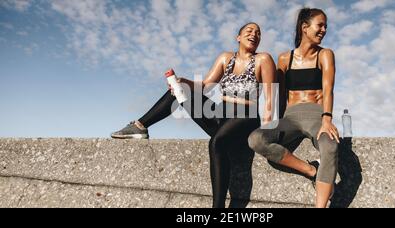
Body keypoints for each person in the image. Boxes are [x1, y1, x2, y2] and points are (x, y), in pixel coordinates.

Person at [111, 22, 276, 208]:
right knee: (179, 89)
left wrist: (268, 130)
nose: (254, 34)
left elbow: (270, 98)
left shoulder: (263, 59)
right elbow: (205, 85)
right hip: (222, 115)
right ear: (238, 37)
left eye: (258, 33)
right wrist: (183, 82)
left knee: (216, 142)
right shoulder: (225, 58)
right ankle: (140, 126)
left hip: (246, 116)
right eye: (249, 31)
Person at [248, 8, 339, 208]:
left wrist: (327, 119)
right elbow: (280, 94)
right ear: (305, 27)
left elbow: (328, 88)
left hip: (317, 114)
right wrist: (276, 124)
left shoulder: (325, 55)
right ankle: (311, 171)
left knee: (330, 146)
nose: (324, 30)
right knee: (256, 139)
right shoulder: (284, 59)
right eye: (320, 25)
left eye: (326, 26)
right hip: (290, 117)